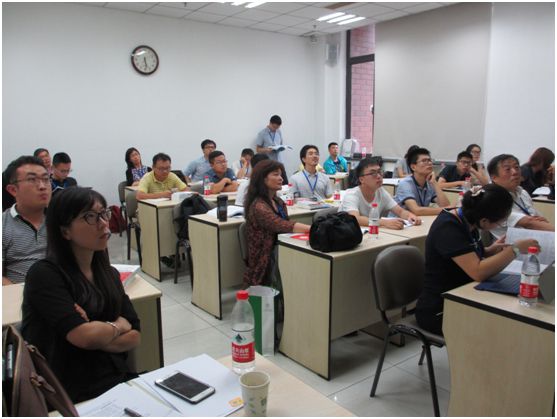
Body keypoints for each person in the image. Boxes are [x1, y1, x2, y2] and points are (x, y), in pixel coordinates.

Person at [22, 187, 141, 402]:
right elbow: (85, 337)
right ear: (65, 231)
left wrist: (96, 334)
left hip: (115, 379)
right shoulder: (45, 275)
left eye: (104, 213)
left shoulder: (108, 273)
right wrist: (117, 326)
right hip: (66, 392)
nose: (103, 223)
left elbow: (135, 335)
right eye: (90, 217)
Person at [415, 184, 540, 335]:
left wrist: (491, 249)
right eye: (500, 222)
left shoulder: (469, 220)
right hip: (441, 308)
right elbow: (478, 272)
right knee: (501, 328)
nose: (500, 225)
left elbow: (469, 253)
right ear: (484, 221)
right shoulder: (448, 227)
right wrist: (515, 250)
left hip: (464, 295)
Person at [243, 160, 310, 286]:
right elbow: (283, 225)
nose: (281, 178)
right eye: (275, 175)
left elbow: (286, 226)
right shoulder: (259, 206)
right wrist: (313, 229)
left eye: (280, 174)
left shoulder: (278, 201)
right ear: (263, 179)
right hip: (265, 259)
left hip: (281, 249)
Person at [2, 156, 51, 285]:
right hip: (19, 292)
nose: (42, 186)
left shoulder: (60, 220)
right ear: (13, 190)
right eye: (32, 179)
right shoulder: (3, 225)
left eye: (46, 179)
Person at [339, 157, 421, 228]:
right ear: (361, 179)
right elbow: (355, 218)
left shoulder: (381, 191)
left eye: (379, 172)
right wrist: (385, 223)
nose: (378, 176)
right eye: (373, 173)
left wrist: (410, 216)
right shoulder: (352, 195)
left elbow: (400, 211)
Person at [488, 154, 554, 238]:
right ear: (494, 177)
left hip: (537, 237)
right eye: (508, 169)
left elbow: (541, 219)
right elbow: (529, 223)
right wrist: (535, 221)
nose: (515, 172)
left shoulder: (523, 193)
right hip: (513, 244)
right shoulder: (492, 199)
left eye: (516, 167)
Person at [394, 147, 450, 215]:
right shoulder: (405, 184)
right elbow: (416, 210)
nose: (429, 163)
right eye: (424, 161)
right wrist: (444, 210)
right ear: (413, 167)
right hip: (400, 220)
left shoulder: (430, 183)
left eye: (429, 160)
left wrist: (435, 183)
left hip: (419, 219)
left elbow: (446, 205)